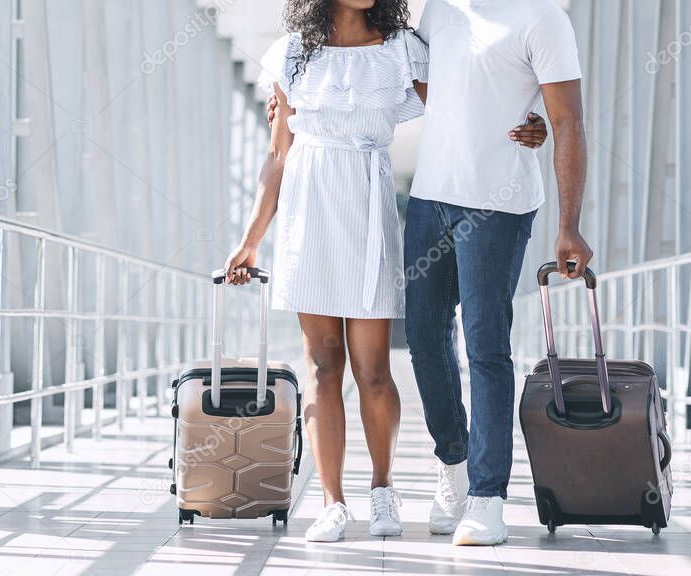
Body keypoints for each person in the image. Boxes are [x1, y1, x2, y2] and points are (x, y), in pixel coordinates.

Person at [224, 0, 547, 543]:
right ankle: (332, 502)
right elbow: (279, 155)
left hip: (367, 202)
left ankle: (382, 490)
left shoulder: (403, 49)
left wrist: (531, 125)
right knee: (324, 367)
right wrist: (250, 241)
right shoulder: (293, 54)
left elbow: (464, 109)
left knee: (372, 367)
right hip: (309, 212)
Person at [404, 0, 591, 546]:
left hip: (498, 205)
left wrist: (569, 227)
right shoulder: (435, 11)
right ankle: (455, 467)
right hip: (429, 199)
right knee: (422, 335)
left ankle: (488, 498)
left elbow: (568, 121)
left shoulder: (543, 18)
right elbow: (427, 86)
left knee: (486, 345)